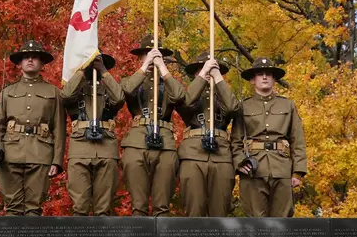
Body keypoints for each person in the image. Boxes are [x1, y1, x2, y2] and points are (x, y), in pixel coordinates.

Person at [0, 40, 66, 216]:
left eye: (35, 57)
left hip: (41, 153)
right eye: (26, 57)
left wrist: (57, 160)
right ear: (20, 63)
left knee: (34, 208)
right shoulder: (7, 92)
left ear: (42, 63)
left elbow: (59, 129)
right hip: (10, 154)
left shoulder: (54, 93)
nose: (30, 60)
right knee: (13, 207)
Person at [231, 57, 307, 217]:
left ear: (274, 79)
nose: (264, 77)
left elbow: (297, 139)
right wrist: (239, 162)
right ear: (253, 79)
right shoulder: (243, 106)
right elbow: (235, 141)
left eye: (268, 74)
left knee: (283, 221)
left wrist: (297, 172)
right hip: (253, 169)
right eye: (260, 74)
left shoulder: (288, 105)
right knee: (256, 222)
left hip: (282, 168)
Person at [120, 35, 186, 216]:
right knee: (138, 207)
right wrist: (144, 67)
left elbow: (180, 96)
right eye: (146, 54)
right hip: (136, 143)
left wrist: (163, 68)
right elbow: (125, 91)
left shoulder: (168, 82)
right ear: (140, 57)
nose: (151, 57)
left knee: (162, 207)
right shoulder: (131, 79)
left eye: (155, 54)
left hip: (165, 143)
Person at [176, 53, 242, 217]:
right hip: (193, 154)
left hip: (222, 155)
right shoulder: (188, 93)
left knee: (220, 211)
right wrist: (203, 75)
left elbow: (234, 108)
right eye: (201, 69)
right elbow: (185, 104)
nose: (207, 72)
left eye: (210, 69)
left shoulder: (223, 95)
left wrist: (218, 77)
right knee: (194, 210)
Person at [60, 53, 124, 216]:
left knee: (103, 208)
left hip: (106, 146)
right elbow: (65, 96)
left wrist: (102, 70)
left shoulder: (108, 88)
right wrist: (82, 69)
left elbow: (119, 99)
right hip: (80, 145)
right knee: (80, 206)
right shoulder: (75, 89)